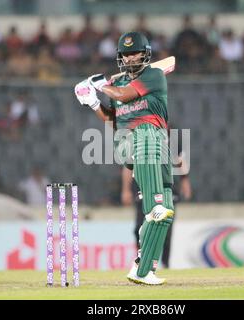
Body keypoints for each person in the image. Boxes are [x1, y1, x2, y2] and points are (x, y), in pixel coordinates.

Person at [74, 31, 174, 285]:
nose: (130, 59)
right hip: (134, 140)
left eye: (135, 53)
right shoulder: (116, 85)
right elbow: (113, 120)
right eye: (126, 55)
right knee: (156, 208)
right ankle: (152, 214)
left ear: (145, 54)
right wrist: (94, 103)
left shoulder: (154, 75)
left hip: (156, 144)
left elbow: (123, 97)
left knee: (166, 212)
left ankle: (143, 270)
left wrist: (97, 86)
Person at [121, 134, 191, 269]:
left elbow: (179, 159)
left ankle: (165, 263)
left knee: (166, 227)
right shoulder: (136, 133)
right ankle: (142, 260)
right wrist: (126, 189)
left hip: (167, 188)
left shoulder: (171, 132)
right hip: (143, 188)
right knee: (139, 228)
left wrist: (185, 180)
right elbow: (128, 165)